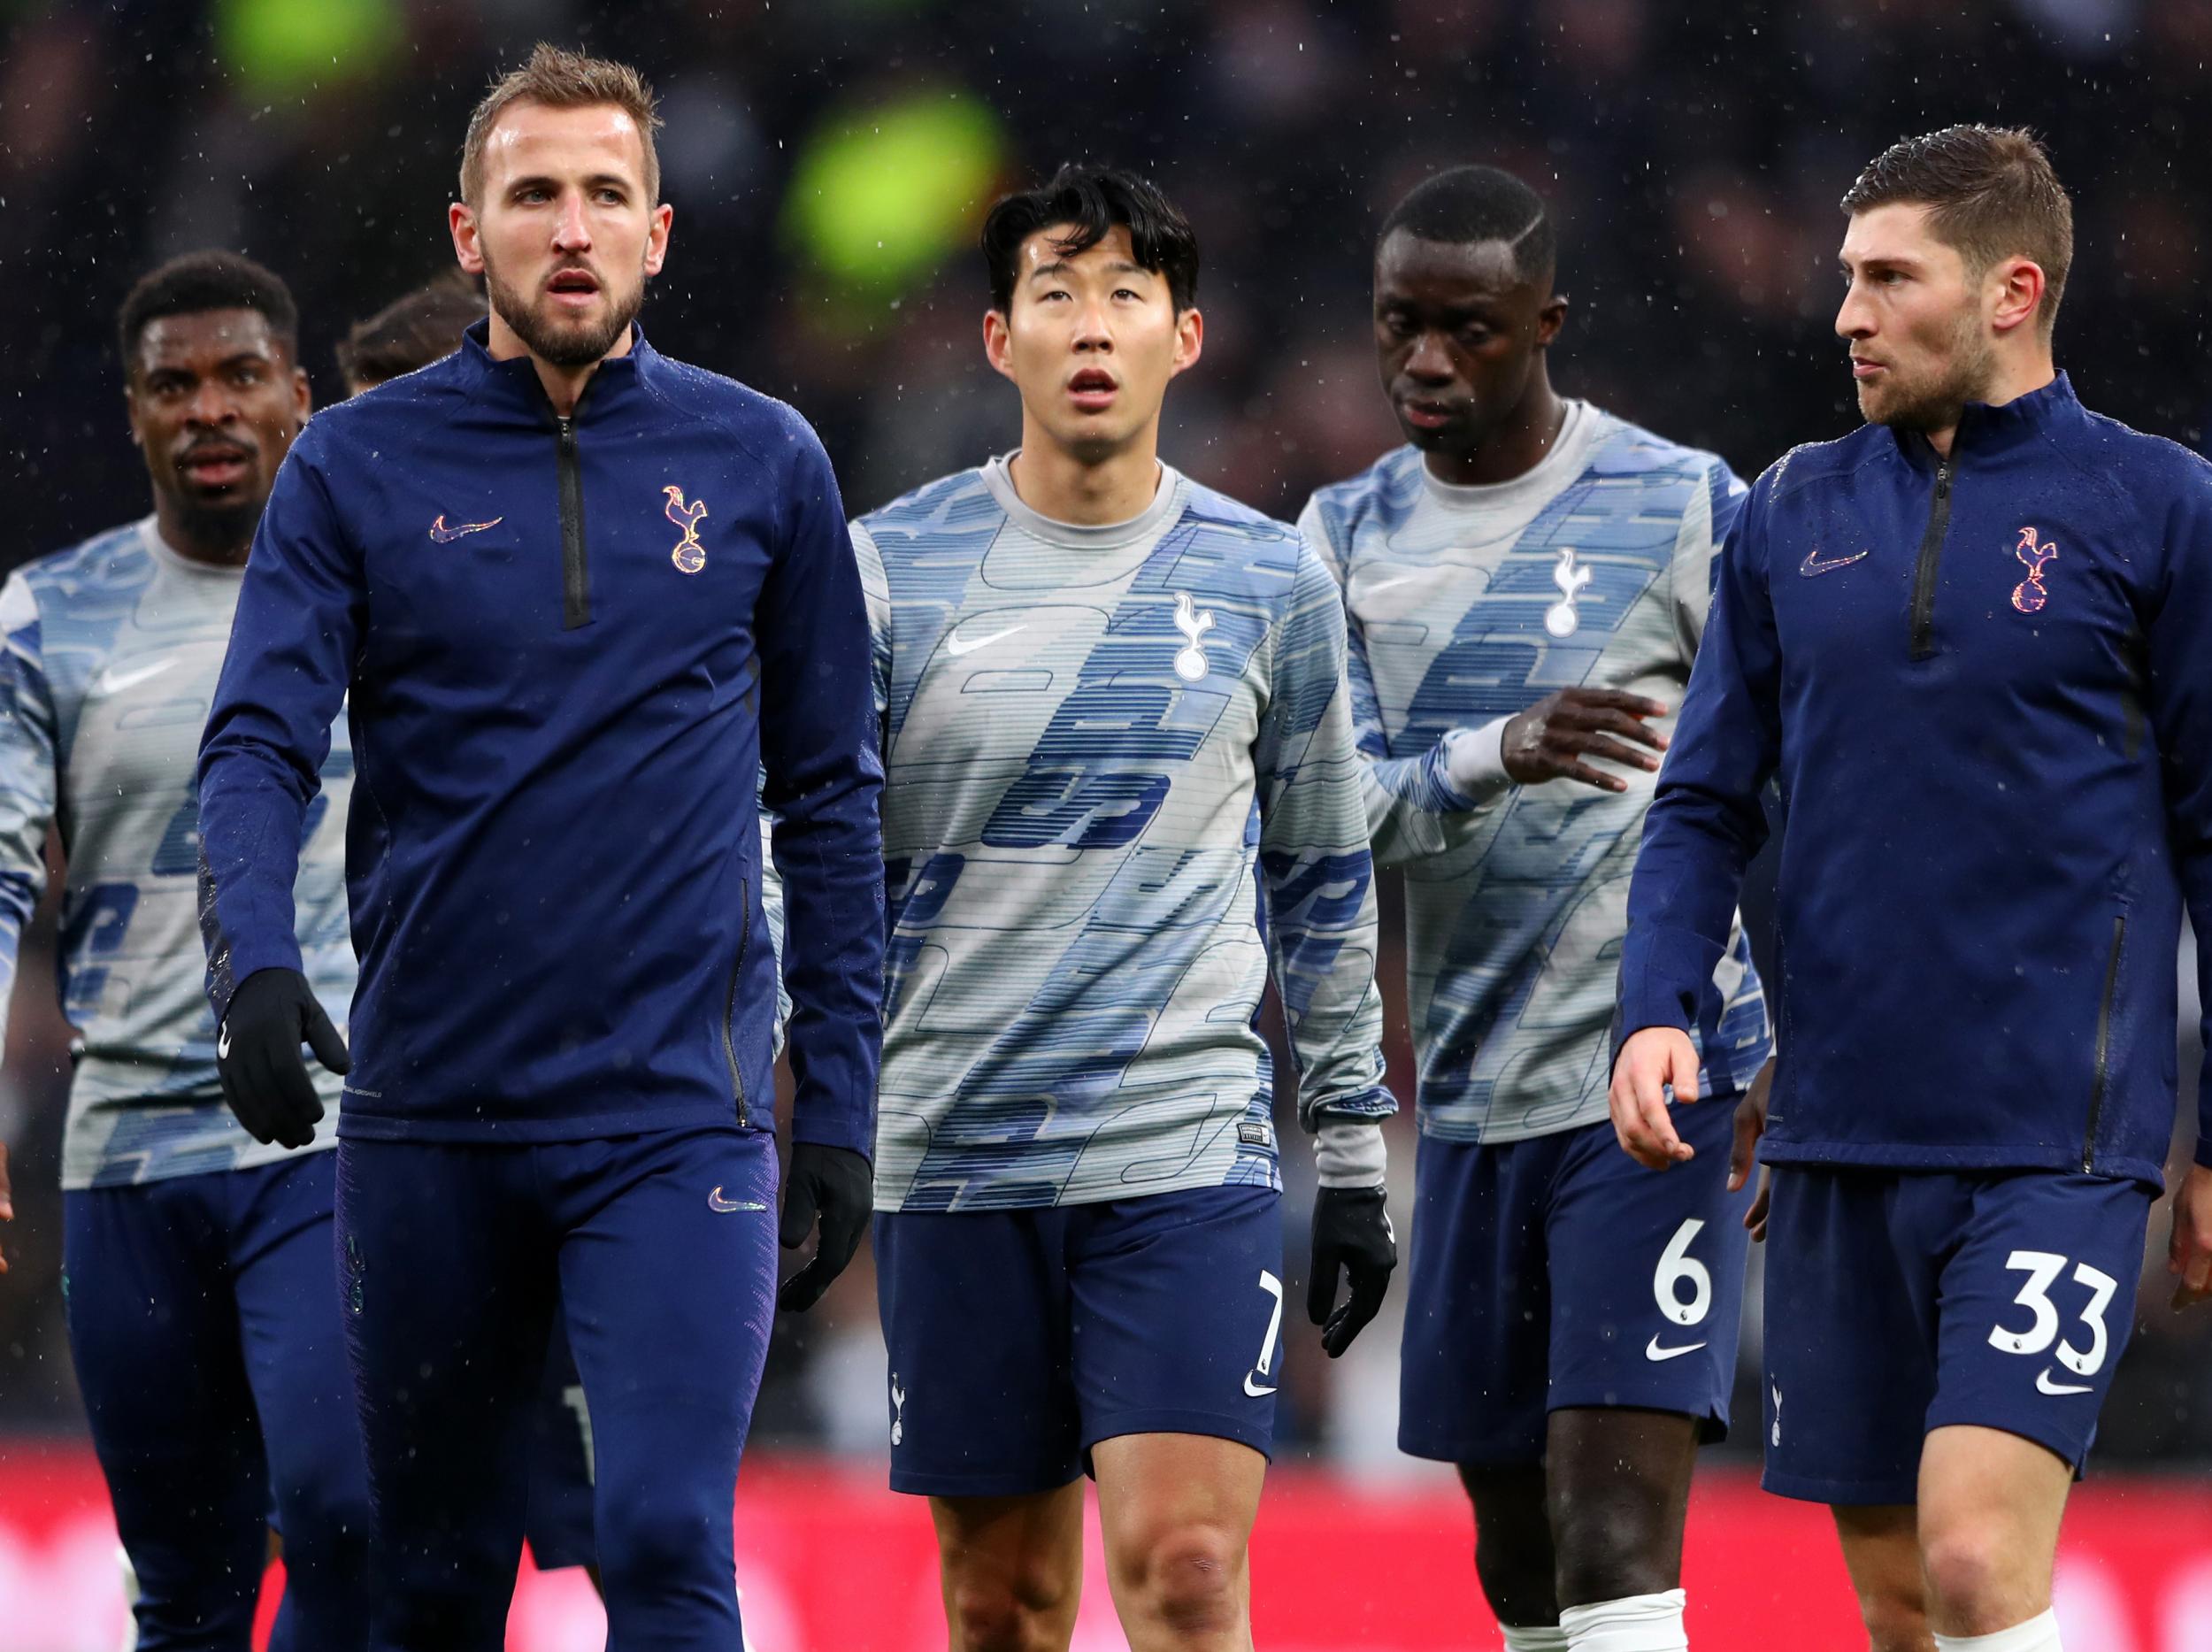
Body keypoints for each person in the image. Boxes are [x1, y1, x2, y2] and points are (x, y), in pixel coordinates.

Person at [195, 44, 883, 1649]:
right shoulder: (354, 470)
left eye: (603, 195)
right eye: (532, 195)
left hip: (674, 1122)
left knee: (658, 1539)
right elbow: (258, 745)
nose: (569, 228)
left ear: (660, 233)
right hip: (431, 1118)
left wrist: (841, 1098)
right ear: (466, 233)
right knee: (430, 1579)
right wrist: (256, 964)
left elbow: (834, 796)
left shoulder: (765, 462)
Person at [1613, 125, 2212, 1652]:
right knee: (1896, 1600)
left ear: (2013, 292)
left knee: (1969, 1559)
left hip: (2056, 1138)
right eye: (1844, 278)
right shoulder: (1790, 515)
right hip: (1834, 1134)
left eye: (1889, 279)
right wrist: (1659, 1011)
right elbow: (1700, 801)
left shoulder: (2160, 510)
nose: (1847, 317)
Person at [856, 162, 1399, 1652]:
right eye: (1055, 293)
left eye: (1126, 295)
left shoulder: (1268, 576)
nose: (1091, 325)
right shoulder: (886, 574)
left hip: (1182, 1153)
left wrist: (1347, 1154)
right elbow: (824, 867)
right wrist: (820, 1113)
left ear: (1186, 336)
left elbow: (1324, 872)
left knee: (1187, 1577)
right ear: (997, 340)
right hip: (957, 1152)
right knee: (1003, 1601)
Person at [1298, 166, 1770, 1652]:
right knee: (1518, 1560)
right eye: (1402, 326)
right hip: (1468, 1096)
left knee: (1616, 1525)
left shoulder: (1687, 503)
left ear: (1548, 322)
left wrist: (1789, 1016)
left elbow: (1794, 771)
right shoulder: (1340, 538)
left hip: (1653, 1079)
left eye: (1472, 331)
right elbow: (1321, 817)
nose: (1427, 362)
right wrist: (1493, 755)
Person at [0, 251, 369, 1649]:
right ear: (135, 413)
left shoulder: (381, 599)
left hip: (331, 1141)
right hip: (125, 1162)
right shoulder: (50, 618)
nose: (208, 409)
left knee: (344, 1515)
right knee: (186, 1586)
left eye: (237, 377)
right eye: (174, 385)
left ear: (298, 396)